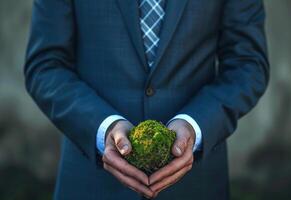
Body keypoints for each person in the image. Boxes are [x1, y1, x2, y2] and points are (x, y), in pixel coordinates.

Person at [24, 0, 269, 199]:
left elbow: (248, 65)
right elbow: (46, 66)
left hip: (195, 186)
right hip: (92, 183)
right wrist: (102, 126)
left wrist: (195, 125)